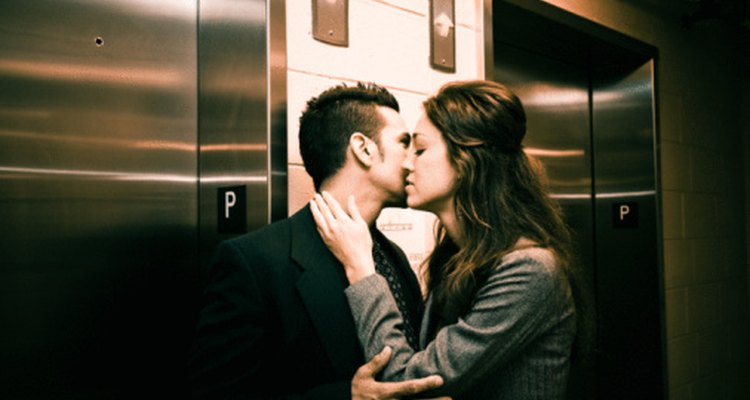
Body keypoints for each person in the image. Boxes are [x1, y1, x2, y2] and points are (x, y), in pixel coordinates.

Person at [311, 80, 592, 399]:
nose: (407, 163)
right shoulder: (457, 257)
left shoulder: (531, 269)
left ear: (467, 159)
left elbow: (407, 379)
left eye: (420, 149)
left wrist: (362, 270)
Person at [187, 82, 446, 399]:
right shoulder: (257, 260)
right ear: (363, 149)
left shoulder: (393, 256)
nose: (412, 160)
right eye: (404, 143)